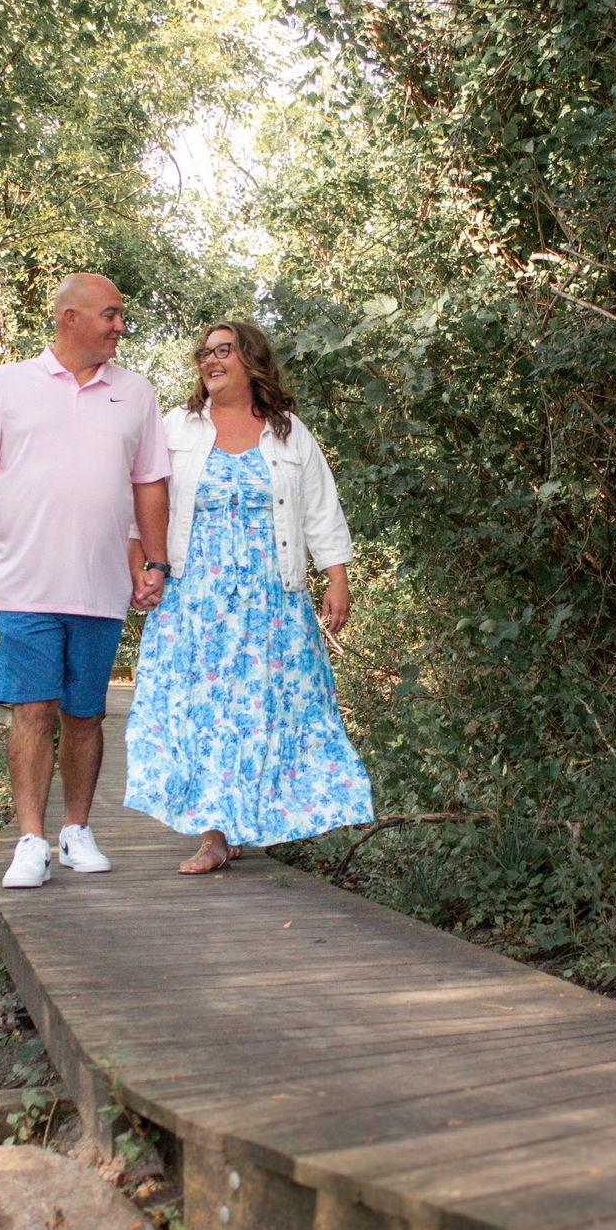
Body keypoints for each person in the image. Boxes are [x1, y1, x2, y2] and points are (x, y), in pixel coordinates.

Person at [0, 273, 172, 889]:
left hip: (100, 586)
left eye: (120, 315)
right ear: (71, 318)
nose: (120, 325)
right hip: (25, 583)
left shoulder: (136, 393)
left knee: (85, 714)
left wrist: (155, 561)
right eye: (110, 314)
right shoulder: (6, 385)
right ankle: (30, 840)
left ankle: (76, 830)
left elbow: (150, 483)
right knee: (33, 709)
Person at [123, 318, 372, 872]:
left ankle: (257, 819)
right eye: (205, 352)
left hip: (270, 600)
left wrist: (336, 577)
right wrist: (142, 566)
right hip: (196, 599)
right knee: (203, 712)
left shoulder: (288, 433)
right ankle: (214, 835)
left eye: (223, 350)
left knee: (266, 712)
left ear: (251, 360)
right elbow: (143, 503)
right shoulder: (177, 428)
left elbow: (320, 509)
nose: (210, 360)